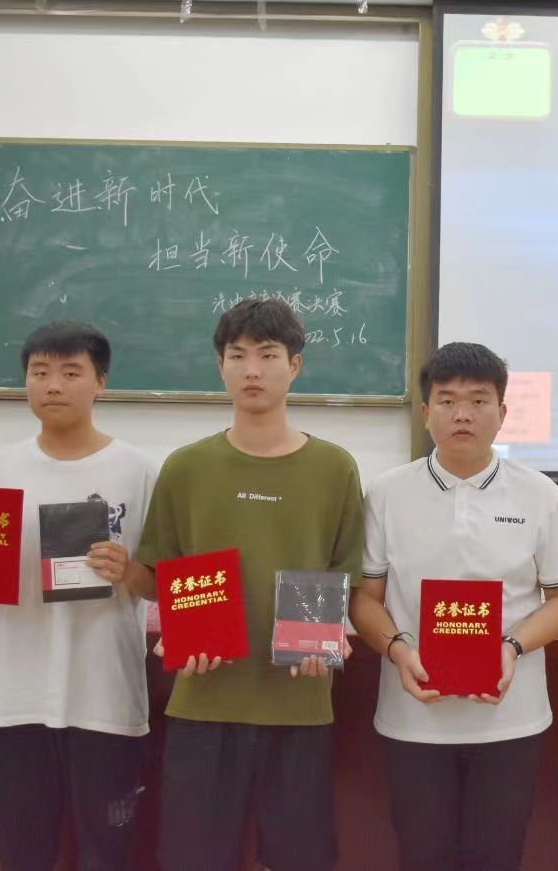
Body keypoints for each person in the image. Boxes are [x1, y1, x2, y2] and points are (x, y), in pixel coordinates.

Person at [134, 297, 365, 871]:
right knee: (192, 858)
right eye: (237, 356)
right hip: (204, 700)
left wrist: (333, 639)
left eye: (268, 355)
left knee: (302, 858)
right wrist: (175, 631)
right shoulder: (186, 466)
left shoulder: (335, 468)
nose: (252, 370)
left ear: (296, 365)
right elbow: (160, 576)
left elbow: (346, 578)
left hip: (299, 703)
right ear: (221, 366)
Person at [0, 321, 157, 871]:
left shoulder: (140, 470)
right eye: (40, 372)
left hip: (105, 697)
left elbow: (163, 583)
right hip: (13, 699)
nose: (53, 384)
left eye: (71, 372)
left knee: (108, 856)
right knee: (20, 855)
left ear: (101, 382)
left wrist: (127, 570)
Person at [350, 341, 558, 871]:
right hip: (413, 718)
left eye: (479, 401)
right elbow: (365, 599)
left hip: (511, 719)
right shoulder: (387, 493)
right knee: (423, 857)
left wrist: (511, 647)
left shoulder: (540, 494)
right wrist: (398, 649)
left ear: (502, 412)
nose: (463, 414)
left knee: (497, 858)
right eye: (448, 400)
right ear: (425, 411)